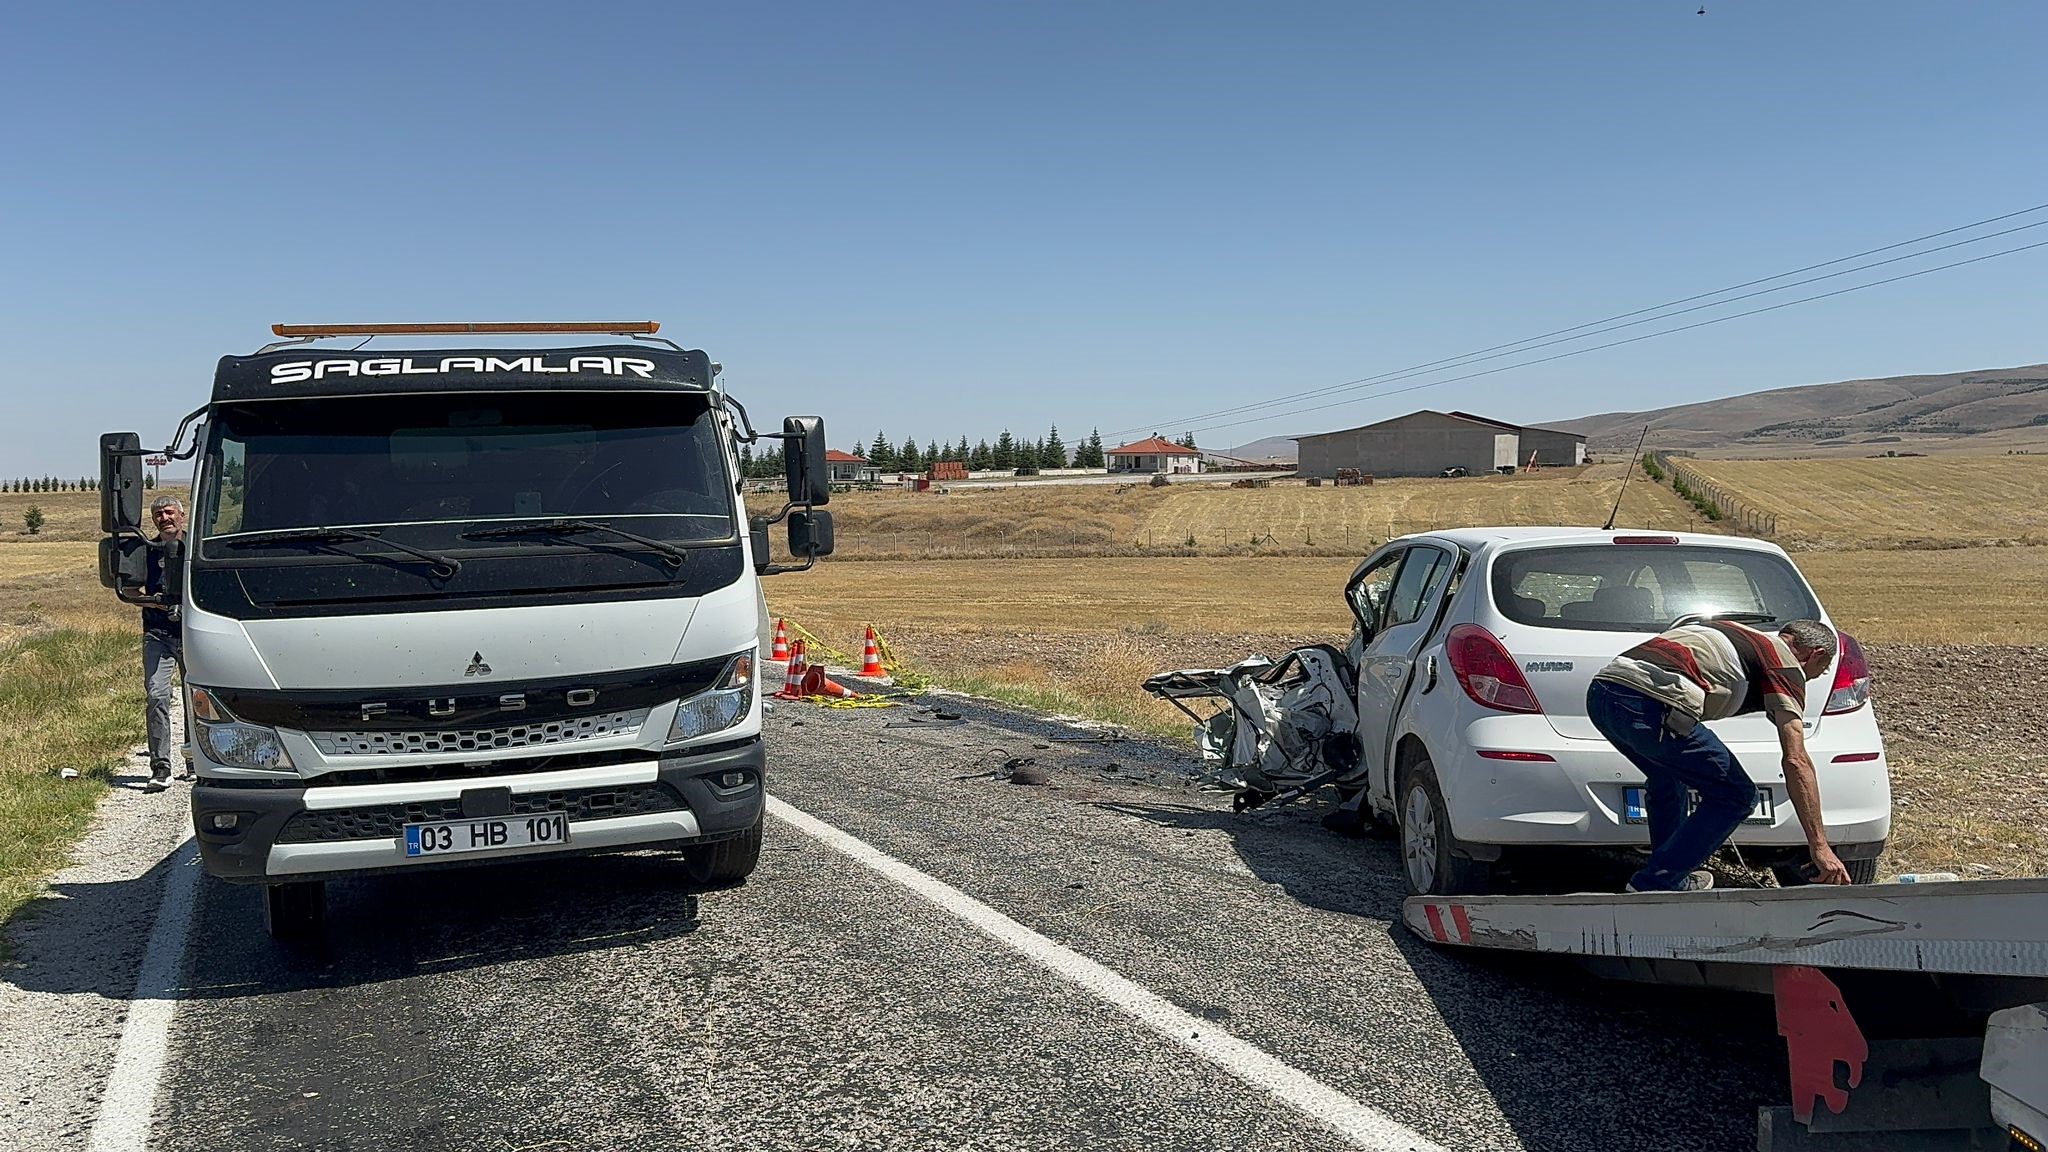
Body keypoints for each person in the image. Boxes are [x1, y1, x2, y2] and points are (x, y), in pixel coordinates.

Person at [1586, 617, 1847, 892]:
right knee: (1736, 795)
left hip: (1601, 694)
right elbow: (1796, 760)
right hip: (1650, 704)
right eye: (1823, 668)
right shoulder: (1784, 664)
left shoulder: (1734, 629)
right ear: (1814, 654)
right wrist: (1820, 847)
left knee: (1668, 777)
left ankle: (1669, 877)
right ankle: (1656, 882)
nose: (1816, 676)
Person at [141, 495, 186, 792]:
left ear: (182, 515)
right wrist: (156, 603)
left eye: (169, 512)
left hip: (194, 630)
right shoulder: (145, 550)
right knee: (157, 696)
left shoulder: (197, 545)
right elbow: (130, 589)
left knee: (201, 699)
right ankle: (161, 765)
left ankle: (198, 757)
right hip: (157, 633)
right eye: (158, 514)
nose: (164, 518)